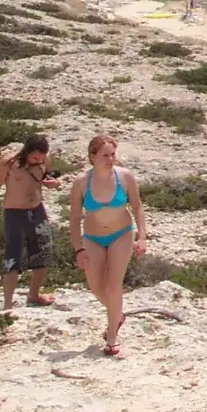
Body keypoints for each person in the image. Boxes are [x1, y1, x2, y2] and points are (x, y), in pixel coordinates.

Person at [67, 135, 147, 356]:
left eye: (113, 154)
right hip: (92, 237)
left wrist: (142, 237)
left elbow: (137, 207)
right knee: (96, 287)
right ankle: (117, 315)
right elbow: (74, 218)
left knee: (113, 285)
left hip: (122, 234)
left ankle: (112, 336)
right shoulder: (81, 182)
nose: (110, 159)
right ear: (92, 156)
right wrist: (78, 249)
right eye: (105, 155)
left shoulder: (125, 177)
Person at [0, 134, 61, 310]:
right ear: (27, 151)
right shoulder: (9, 163)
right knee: (12, 257)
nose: (37, 160)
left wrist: (53, 182)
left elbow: (47, 175)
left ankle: (34, 294)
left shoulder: (45, 160)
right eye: (34, 157)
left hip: (37, 210)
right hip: (14, 213)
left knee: (43, 252)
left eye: (40, 157)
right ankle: (7, 303)